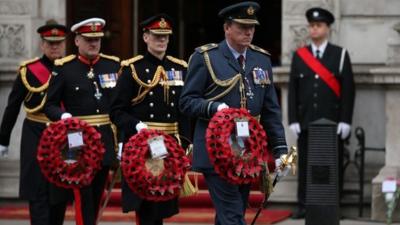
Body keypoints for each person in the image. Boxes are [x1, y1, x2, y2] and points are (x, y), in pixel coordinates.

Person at [179, 2, 289, 225]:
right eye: (241, 27)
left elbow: (270, 111)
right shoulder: (206, 57)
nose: (248, 32)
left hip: (247, 152)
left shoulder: (261, 59)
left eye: (251, 27)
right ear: (227, 28)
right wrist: (214, 108)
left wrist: (280, 150)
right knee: (232, 215)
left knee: (232, 212)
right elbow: (186, 102)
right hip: (216, 151)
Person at [110, 13, 190, 225]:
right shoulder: (132, 69)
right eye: (156, 36)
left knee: (163, 205)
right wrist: (136, 125)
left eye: (165, 36)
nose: (161, 40)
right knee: (146, 208)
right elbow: (116, 111)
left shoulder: (179, 68)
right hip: (142, 147)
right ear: (145, 37)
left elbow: (184, 110)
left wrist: (186, 142)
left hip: (169, 146)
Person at [43, 17, 120, 225]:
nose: (93, 43)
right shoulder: (64, 68)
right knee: (82, 195)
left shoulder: (112, 65)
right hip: (78, 140)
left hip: (104, 139)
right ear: (77, 41)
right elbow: (48, 105)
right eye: (87, 39)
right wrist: (64, 116)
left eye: (96, 39)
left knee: (96, 196)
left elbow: (120, 107)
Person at [287, 7, 355, 219]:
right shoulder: (300, 56)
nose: (314, 29)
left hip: (333, 122)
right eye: (312, 26)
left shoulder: (340, 55)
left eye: (318, 25)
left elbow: (348, 91)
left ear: (327, 28)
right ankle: (304, 205)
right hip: (307, 121)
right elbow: (293, 89)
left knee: (332, 165)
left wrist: (345, 120)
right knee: (305, 163)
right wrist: (293, 119)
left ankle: (334, 206)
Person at [0, 20, 68, 225]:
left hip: (63, 135)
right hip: (35, 133)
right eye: (50, 43)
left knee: (60, 189)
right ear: (42, 44)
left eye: (58, 43)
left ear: (64, 44)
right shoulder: (28, 71)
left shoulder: (71, 69)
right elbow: (12, 107)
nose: (54, 47)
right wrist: (3, 140)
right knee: (37, 190)